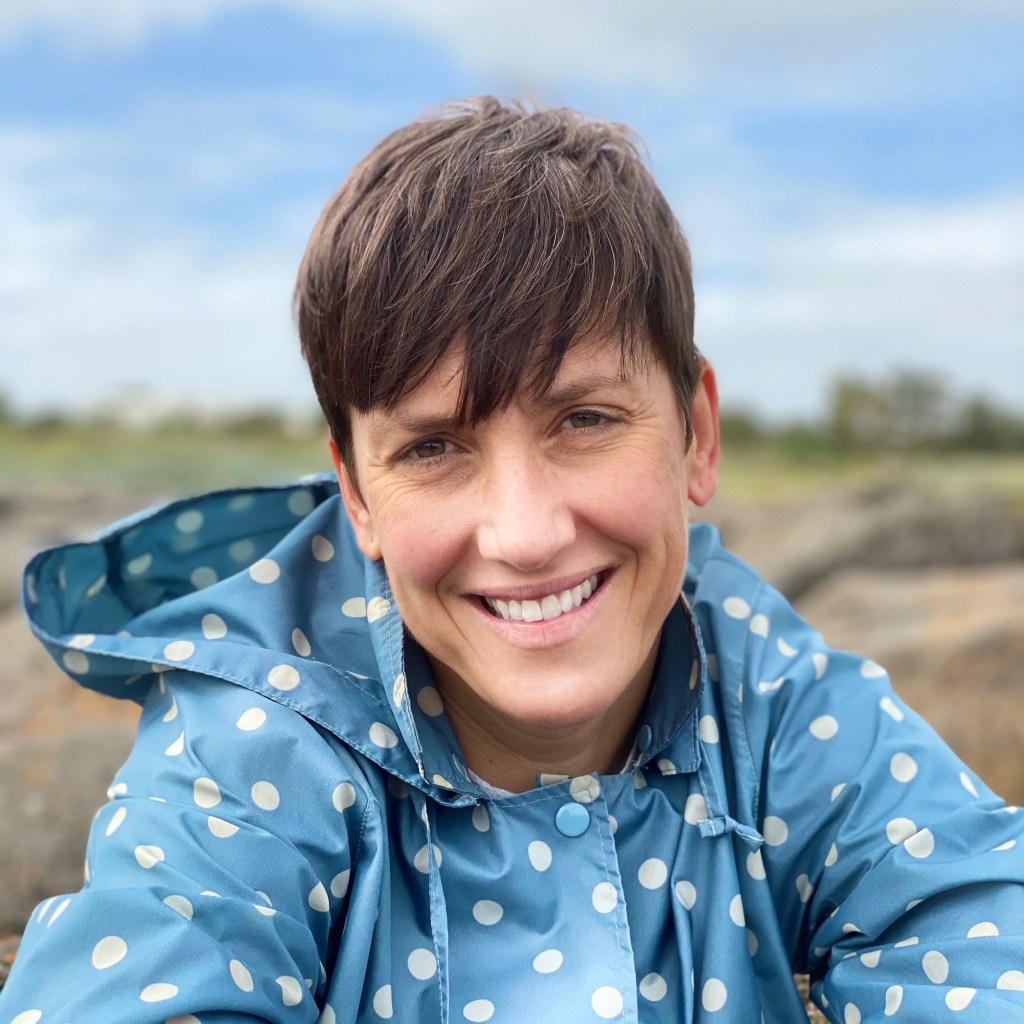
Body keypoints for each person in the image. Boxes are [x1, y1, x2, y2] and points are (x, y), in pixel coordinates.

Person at [1, 97, 1022, 1024]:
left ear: (696, 434)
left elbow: (980, 929)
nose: (524, 534)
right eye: (433, 447)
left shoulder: (780, 713)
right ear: (356, 490)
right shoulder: (258, 743)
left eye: (584, 418)